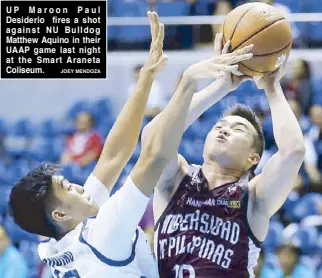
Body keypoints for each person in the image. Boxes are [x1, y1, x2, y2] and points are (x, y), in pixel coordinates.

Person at [9, 11, 168, 278]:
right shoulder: (98, 236)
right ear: (60, 214)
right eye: (68, 187)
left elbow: (113, 156)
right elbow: (152, 157)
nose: (79, 186)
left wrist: (146, 78)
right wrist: (192, 85)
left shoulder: (59, 240)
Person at [150, 33, 306, 277]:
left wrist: (272, 88)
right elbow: (154, 137)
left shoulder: (254, 198)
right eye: (219, 126)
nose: (224, 129)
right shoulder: (176, 178)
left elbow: (294, 151)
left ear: (253, 158)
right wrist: (221, 87)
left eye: (238, 129)